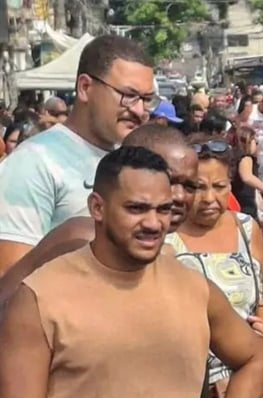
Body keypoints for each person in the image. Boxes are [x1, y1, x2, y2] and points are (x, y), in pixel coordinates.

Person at [0, 146, 263, 398]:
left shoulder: (193, 288)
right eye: (136, 208)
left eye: (163, 210)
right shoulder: (41, 297)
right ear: (98, 207)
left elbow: (254, 359)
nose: (154, 223)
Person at [166, 136, 263, 398]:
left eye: (220, 186)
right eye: (197, 187)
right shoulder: (164, 237)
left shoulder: (246, 228)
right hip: (186, 388)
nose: (209, 199)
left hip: (243, 383)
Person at [0, 35, 157, 277]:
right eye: (128, 95)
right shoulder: (33, 163)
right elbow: (10, 280)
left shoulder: (135, 159)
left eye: (146, 100)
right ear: (85, 88)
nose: (138, 110)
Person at [0, 124, 199, 311]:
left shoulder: (170, 260)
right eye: (169, 181)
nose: (179, 196)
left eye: (190, 186)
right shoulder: (82, 240)